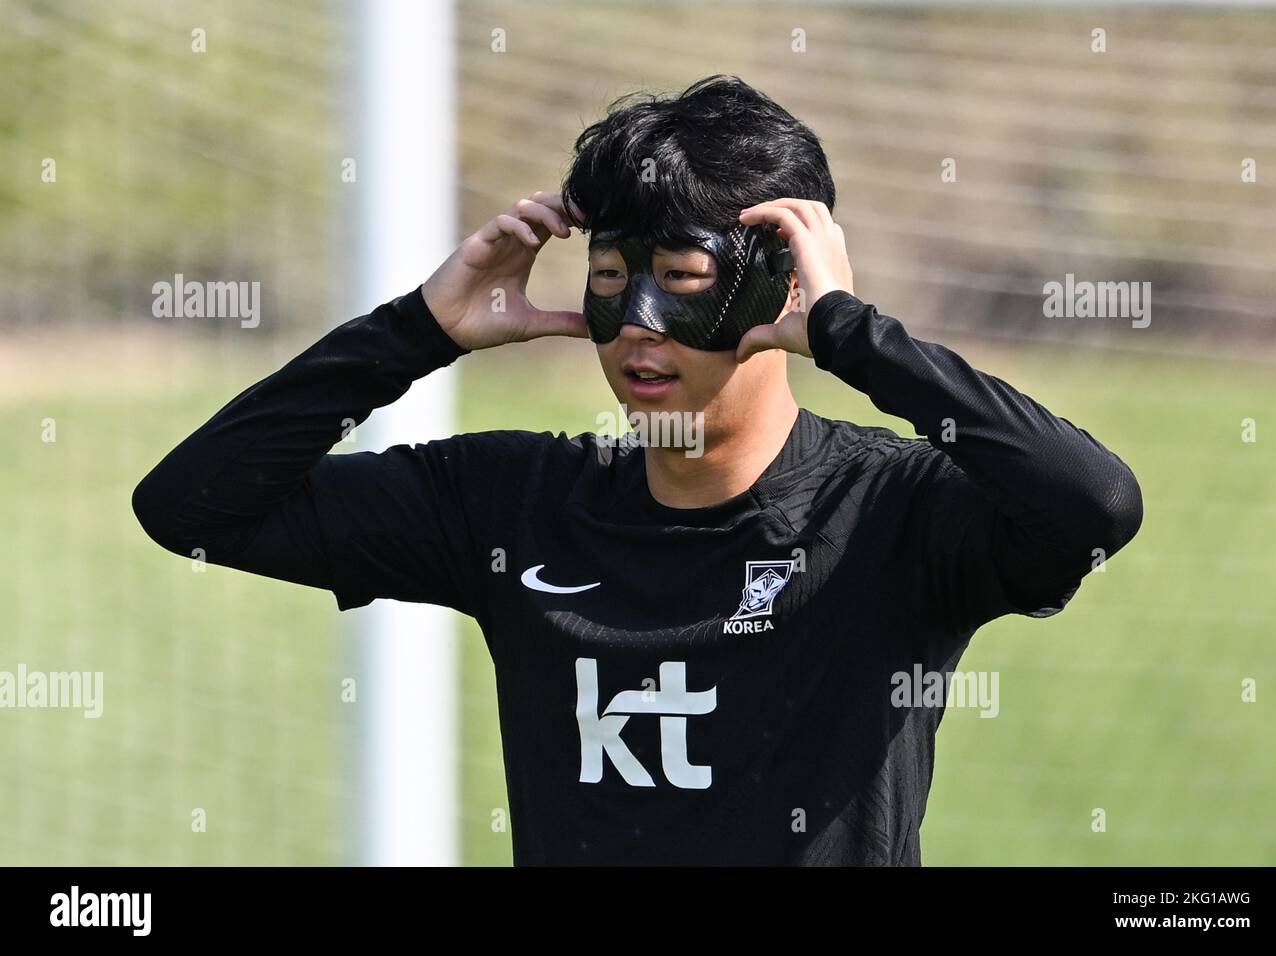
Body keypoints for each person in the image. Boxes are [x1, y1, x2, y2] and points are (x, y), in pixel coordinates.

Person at [133, 74, 1143, 865]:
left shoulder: (890, 511)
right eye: (611, 281)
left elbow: (1092, 502)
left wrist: (853, 335)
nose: (637, 328)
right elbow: (191, 505)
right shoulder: (514, 503)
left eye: (683, 281)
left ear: (773, 287)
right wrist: (415, 330)